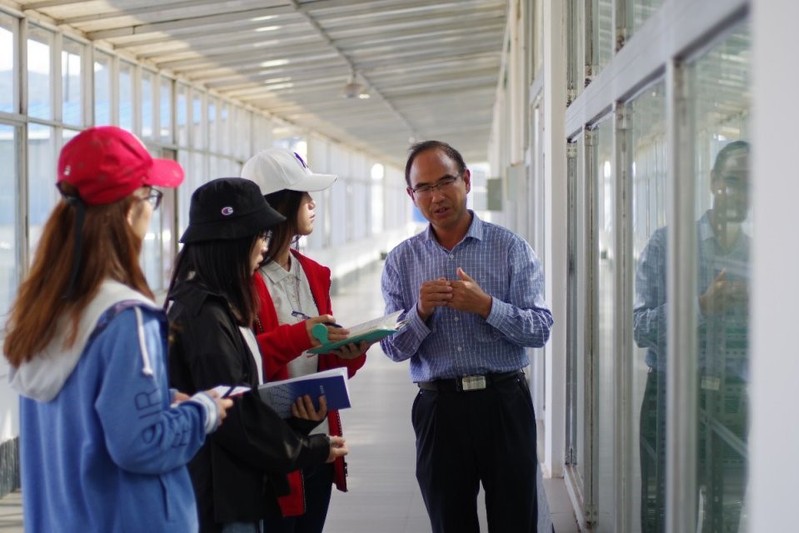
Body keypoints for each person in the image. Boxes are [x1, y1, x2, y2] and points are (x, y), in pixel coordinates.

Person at [3, 125, 232, 533]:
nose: (151, 210)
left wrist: (157, 400)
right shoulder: (126, 318)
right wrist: (204, 411)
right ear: (129, 208)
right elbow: (142, 445)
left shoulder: (38, 313)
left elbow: (82, 414)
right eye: (150, 196)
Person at [379, 140, 554, 533]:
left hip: (504, 402)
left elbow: (540, 329)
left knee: (516, 520)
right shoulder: (401, 261)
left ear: (467, 180)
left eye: (446, 182)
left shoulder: (510, 248)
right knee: (449, 521)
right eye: (424, 188)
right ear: (411, 195)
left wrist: (487, 306)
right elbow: (392, 348)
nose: (437, 196)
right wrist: (419, 312)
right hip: (438, 409)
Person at [166, 177, 349, 533]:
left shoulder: (215, 306)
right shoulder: (205, 315)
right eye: (260, 236)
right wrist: (307, 448)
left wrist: (297, 426)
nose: (264, 247)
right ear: (233, 241)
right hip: (221, 499)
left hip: (235, 488)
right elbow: (235, 418)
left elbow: (242, 400)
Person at [240, 147, 369, 532]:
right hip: (272, 449)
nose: (313, 203)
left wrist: (349, 353)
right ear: (279, 205)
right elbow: (241, 362)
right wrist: (300, 334)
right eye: (304, 195)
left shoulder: (314, 273)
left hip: (318, 443)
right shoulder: (244, 281)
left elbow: (321, 360)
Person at [634, 140, 750, 532]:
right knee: (662, 516)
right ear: (715, 181)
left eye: (752, 184)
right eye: (734, 180)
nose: (742, 193)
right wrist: (701, 306)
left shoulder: (759, 255)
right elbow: (639, 327)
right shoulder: (667, 245)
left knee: (725, 519)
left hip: (731, 398)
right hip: (671, 398)